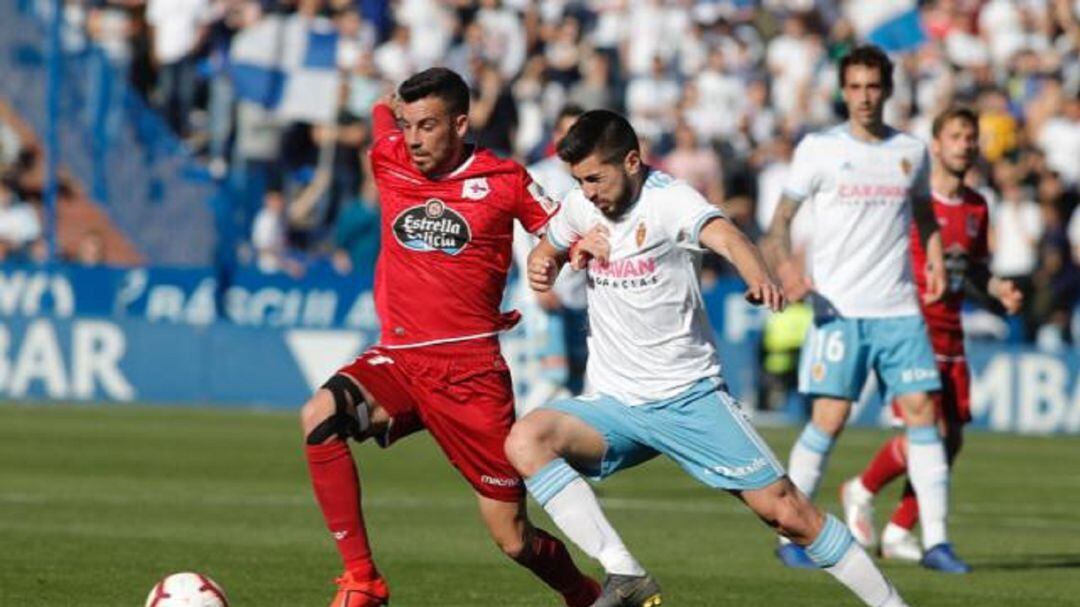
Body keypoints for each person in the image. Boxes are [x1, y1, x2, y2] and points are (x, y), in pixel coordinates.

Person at [506, 109, 909, 607]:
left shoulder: (670, 200)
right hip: (616, 404)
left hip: (687, 398)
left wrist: (757, 275)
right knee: (527, 439)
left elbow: (727, 235)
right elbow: (544, 251)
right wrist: (547, 264)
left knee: (787, 514)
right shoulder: (579, 206)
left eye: (595, 178)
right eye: (579, 181)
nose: (587, 192)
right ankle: (624, 571)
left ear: (632, 161)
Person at [298, 68, 600, 607]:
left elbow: (555, 227)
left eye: (428, 126)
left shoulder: (505, 179)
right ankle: (363, 580)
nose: (413, 139)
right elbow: (381, 123)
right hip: (400, 359)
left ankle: (585, 594)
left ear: (461, 124)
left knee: (513, 539)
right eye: (408, 125)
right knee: (320, 414)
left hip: (471, 376)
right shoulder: (389, 157)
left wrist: (563, 252)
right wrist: (384, 107)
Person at [761, 45, 969, 573]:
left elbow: (923, 213)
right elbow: (780, 221)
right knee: (829, 420)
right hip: (840, 311)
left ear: (888, 90)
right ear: (842, 90)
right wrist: (785, 268)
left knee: (926, 415)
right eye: (853, 87)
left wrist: (937, 260)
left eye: (872, 87)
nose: (863, 97)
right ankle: (790, 534)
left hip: (899, 309)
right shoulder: (818, 149)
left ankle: (937, 541)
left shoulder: (910, 151)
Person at [840, 107, 1023, 564]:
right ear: (936, 146)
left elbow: (974, 269)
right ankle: (860, 490)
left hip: (952, 331)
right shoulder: (913, 203)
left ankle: (899, 530)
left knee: (952, 438)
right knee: (928, 431)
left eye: (971, 136)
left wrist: (997, 291)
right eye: (956, 136)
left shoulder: (978, 205)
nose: (966, 144)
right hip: (910, 328)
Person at [512, 104, 587, 412]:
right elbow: (520, 234)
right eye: (568, 131)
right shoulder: (540, 174)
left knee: (576, 380)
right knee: (553, 374)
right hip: (546, 294)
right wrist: (538, 286)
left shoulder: (590, 179)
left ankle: (560, 452)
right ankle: (517, 439)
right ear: (556, 135)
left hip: (580, 297)